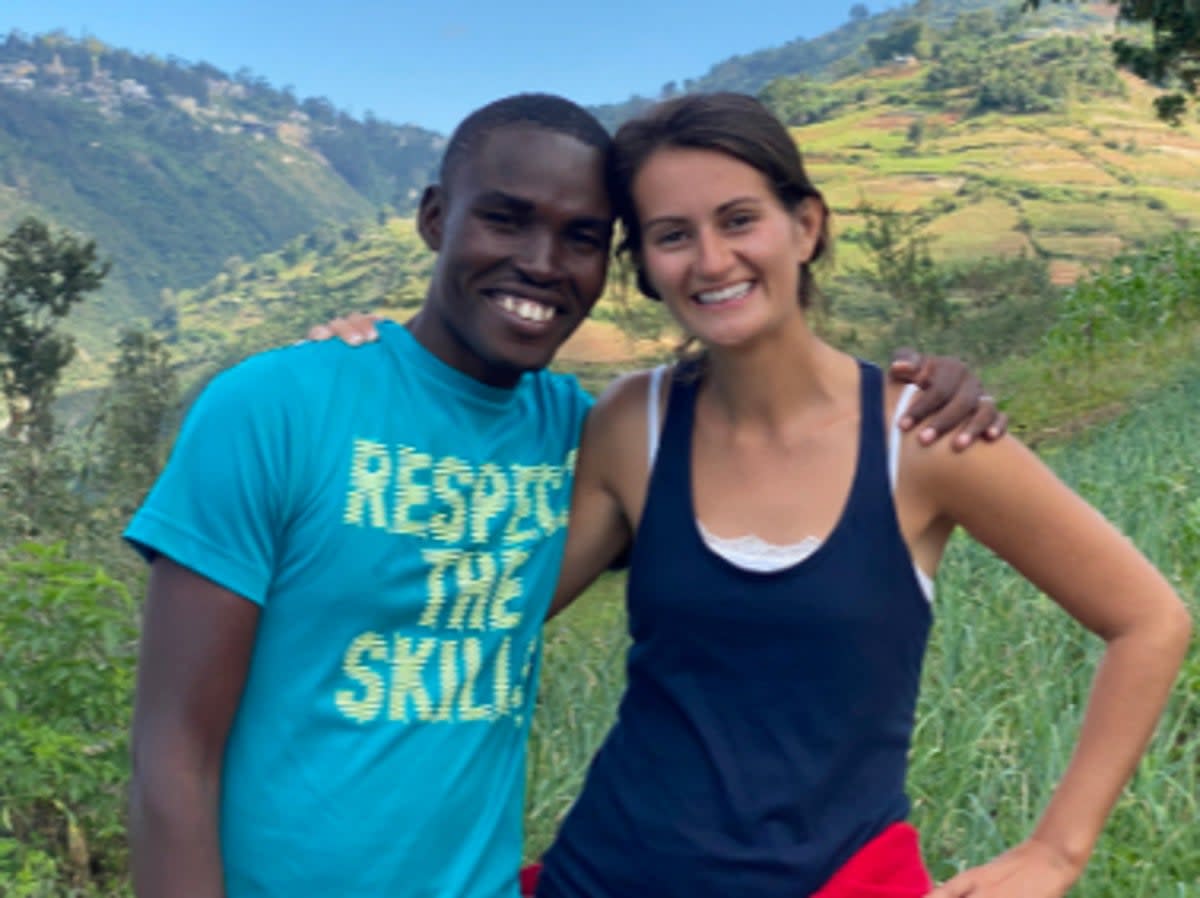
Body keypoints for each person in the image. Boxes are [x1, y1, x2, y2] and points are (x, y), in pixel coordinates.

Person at [125, 94, 1003, 898]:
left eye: (582, 237)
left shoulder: (582, 435)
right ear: (436, 218)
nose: (542, 263)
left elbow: (751, 506)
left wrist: (925, 395)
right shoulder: (273, 407)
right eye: (504, 220)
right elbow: (173, 754)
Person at [508, 94, 1189, 898]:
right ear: (647, 267)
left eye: (738, 220)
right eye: (672, 235)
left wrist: (1055, 852)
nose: (712, 260)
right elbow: (499, 608)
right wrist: (365, 375)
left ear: (805, 225)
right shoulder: (633, 422)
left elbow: (1149, 621)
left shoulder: (926, 436)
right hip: (607, 876)